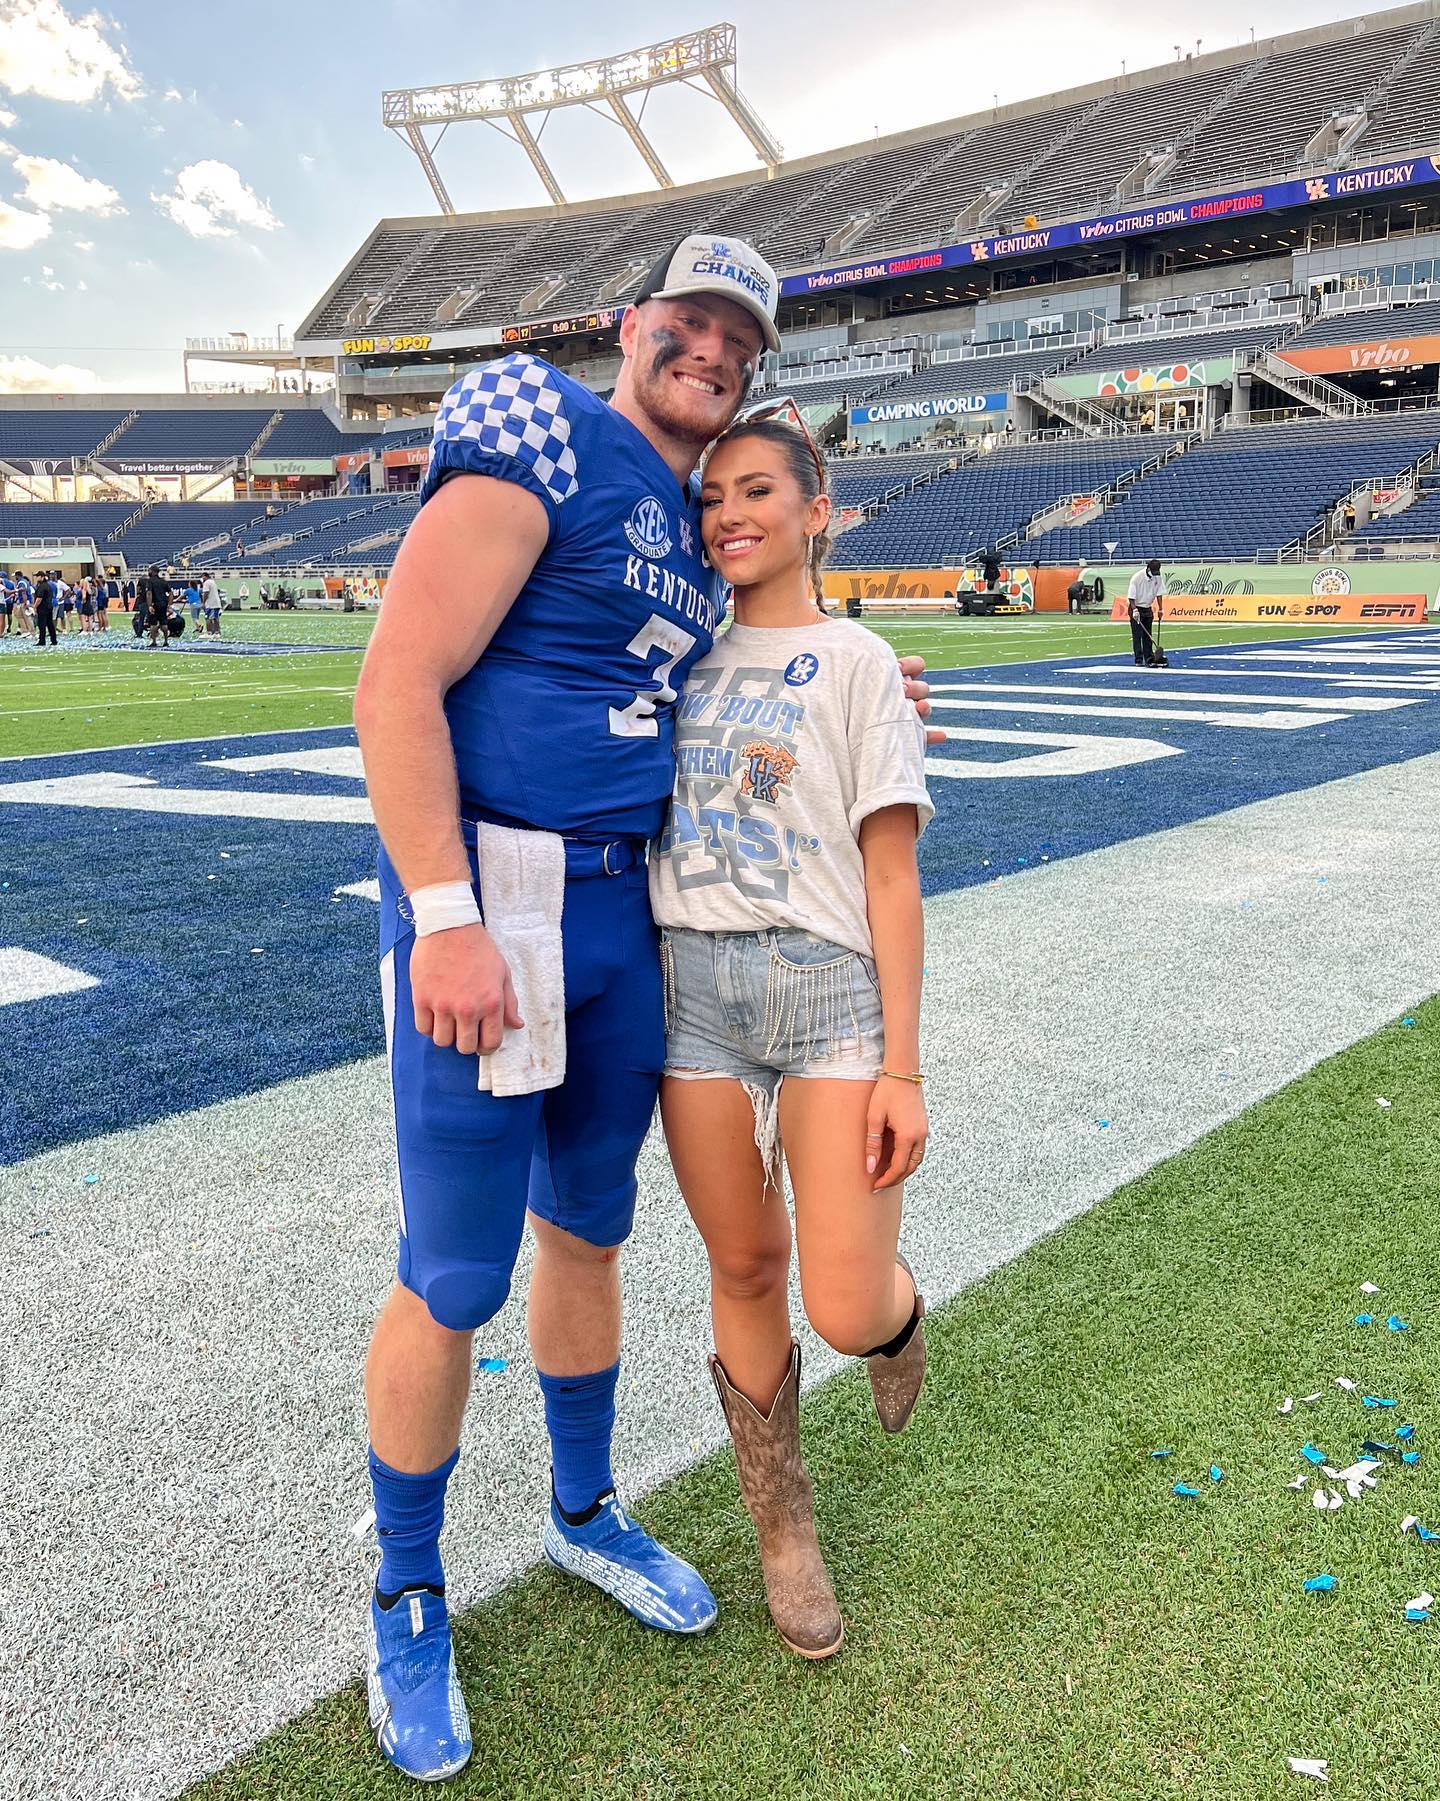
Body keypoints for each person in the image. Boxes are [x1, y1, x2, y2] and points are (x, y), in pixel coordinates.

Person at [352, 233, 935, 1783]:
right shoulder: (540, 425)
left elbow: (740, 676)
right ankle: (405, 1584)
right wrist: (446, 916)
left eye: (742, 338)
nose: (714, 350)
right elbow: (396, 681)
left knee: (587, 1231)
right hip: (501, 892)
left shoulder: (695, 517)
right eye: (691, 320)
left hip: (626, 912)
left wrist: (871, 685)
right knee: (455, 1271)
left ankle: (582, 1505)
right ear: (633, 323)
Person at [652, 405, 931, 1660]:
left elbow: (892, 876)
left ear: (820, 512)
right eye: (712, 497)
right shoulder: (676, 660)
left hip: (827, 992)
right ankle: (783, 1530)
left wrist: (904, 1067)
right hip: (692, 992)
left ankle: (897, 1320)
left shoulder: (862, 661)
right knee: (745, 1266)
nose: (730, 515)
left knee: (843, 1302)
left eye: (757, 490)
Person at [1128, 558, 1165, 666]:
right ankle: (1138, 660)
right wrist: (1134, 610)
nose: (1155, 574)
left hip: (1147, 607)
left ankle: (1149, 658)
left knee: (1148, 635)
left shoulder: (1157, 577)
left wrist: (1160, 609)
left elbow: (1159, 593)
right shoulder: (1137, 577)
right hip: (1136, 607)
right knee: (1137, 635)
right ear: (1148, 568)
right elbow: (1131, 597)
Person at [141, 565, 170, 648]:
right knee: (164, 623)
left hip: (155, 604)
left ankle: (154, 641)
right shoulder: (163, 581)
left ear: (153, 571)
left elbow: (149, 593)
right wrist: (169, 604)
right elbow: (170, 593)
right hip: (163, 604)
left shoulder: (150, 581)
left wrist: (150, 605)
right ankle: (166, 641)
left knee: (153, 623)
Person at [33, 570, 58, 647]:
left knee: (42, 624)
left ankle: (42, 640)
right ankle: (54, 640)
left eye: (38, 576)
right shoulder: (48, 585)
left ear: (42, 577)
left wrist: (34, 606)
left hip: (43, 608)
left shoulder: (42, 586)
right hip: (49, 606)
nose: (36, 578)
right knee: (50, 624)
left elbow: (39, 598)